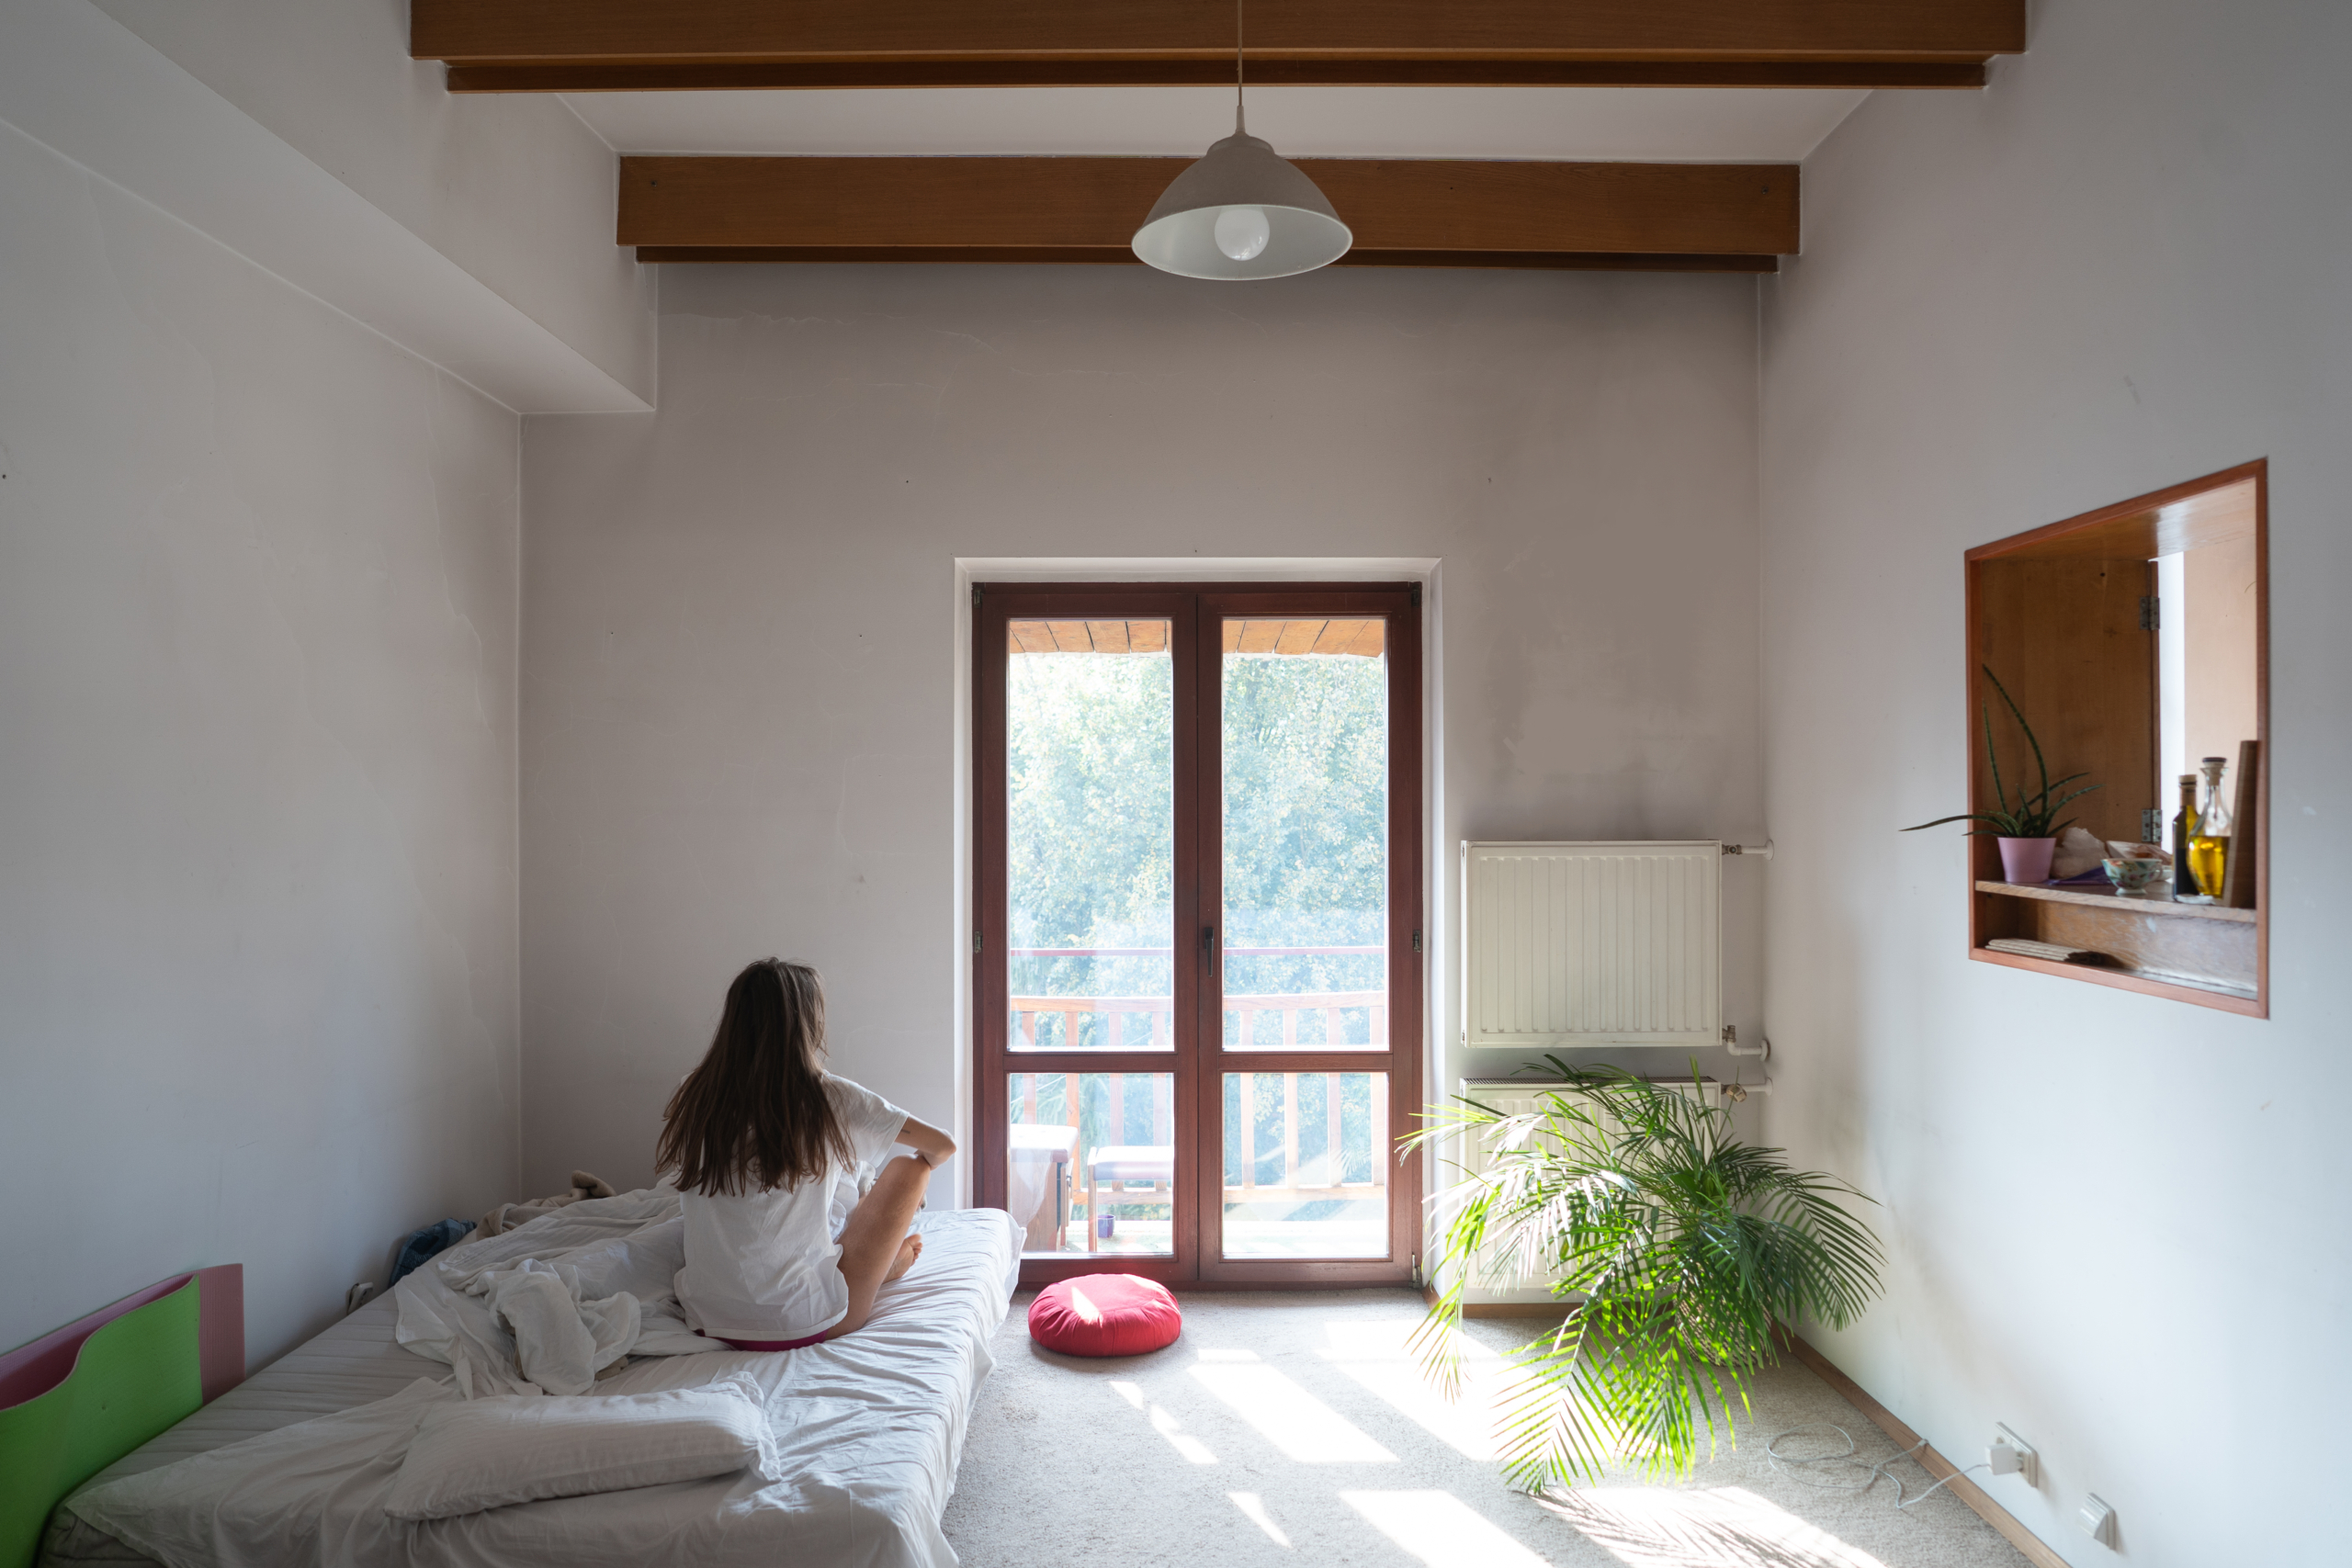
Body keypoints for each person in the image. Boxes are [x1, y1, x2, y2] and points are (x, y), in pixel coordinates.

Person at [659, 958, 956, 1350]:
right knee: (909, 1168)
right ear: (808, 1023)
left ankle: (873, 1253)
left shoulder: (694, 1092)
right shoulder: (831, 1097)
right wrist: (910, 1199)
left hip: (707, 1318)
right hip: (806, 1321)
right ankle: (882, 1265)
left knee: (835, 1189)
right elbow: (943, 1146)